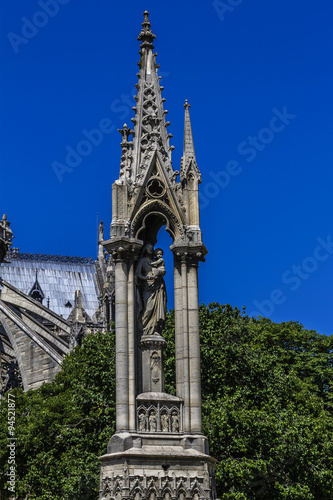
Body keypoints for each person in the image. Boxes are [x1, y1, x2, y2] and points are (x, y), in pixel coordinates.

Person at [135, 243, 167, 336]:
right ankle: (145, 329)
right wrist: (146, 278)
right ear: (145, 249)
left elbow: (162, 269)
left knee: (156, 309)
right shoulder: (143, 261)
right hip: (147, 287)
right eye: (149, 247)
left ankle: (154, 329)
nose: (151, 249)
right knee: (148, 308)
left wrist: (159, 272)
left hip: (157, 287)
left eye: (152, 247)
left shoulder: (156, 261)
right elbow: (137, 273)